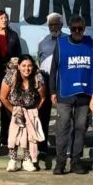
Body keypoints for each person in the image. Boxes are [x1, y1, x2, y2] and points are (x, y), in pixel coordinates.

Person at [49, 15, 93, 176]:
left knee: (80, 129)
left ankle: (76, 162)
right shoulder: (61, 44)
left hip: (85, 95)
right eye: (74, 29)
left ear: (84, 29)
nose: (77, 31)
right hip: (64, 94)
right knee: (62, 128)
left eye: (80, 28)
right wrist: (52, 91)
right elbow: (53, 70)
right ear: (69, 29)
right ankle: (60, 163)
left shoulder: (90, 43)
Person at [1, 54, 46, 172]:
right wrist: (14, 110)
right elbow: (3, 96)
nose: (27, 69)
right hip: (13, 107)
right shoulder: (11, 76)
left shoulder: (38, 77)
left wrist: (34, 110)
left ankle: (27, 159)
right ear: (19, 66)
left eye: (30, 66)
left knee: (28, 135)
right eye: (24, 66)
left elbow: (42, 97)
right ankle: (13, 160)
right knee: (14, 134)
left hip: (30, 109)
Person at [0, 10, 22, 146]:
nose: (4, 20)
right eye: (1, 18)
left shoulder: (13, 35)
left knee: (7, 103)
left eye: (6, 18)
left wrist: (15, 62)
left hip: (9, 73)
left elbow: (18, 53)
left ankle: (5, 136)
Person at [35, 12, 65, 146]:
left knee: (64, 116)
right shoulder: (42, 42)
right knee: (43, 115)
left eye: (56, 24)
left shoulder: (68, 40)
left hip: (63, 82)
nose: (53, 27)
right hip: (45, 81)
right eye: (51, 25)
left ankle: (64, 147)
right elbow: (38, 61)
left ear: (62, 25)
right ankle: (42, 147)